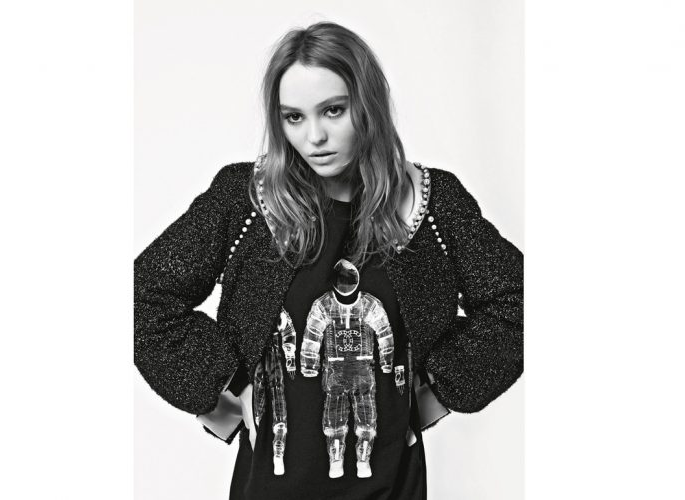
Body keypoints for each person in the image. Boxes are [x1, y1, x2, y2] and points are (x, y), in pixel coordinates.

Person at [134, 21, 523, 500]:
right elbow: (142, 297)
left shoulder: (430, 204)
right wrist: (229, 391)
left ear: (368, 105)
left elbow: (519, 303)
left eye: (333, 110)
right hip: (273, 486)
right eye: (293, 117)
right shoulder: (246, 202)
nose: (314, 136)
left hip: (390, 485)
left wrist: (437, 393)